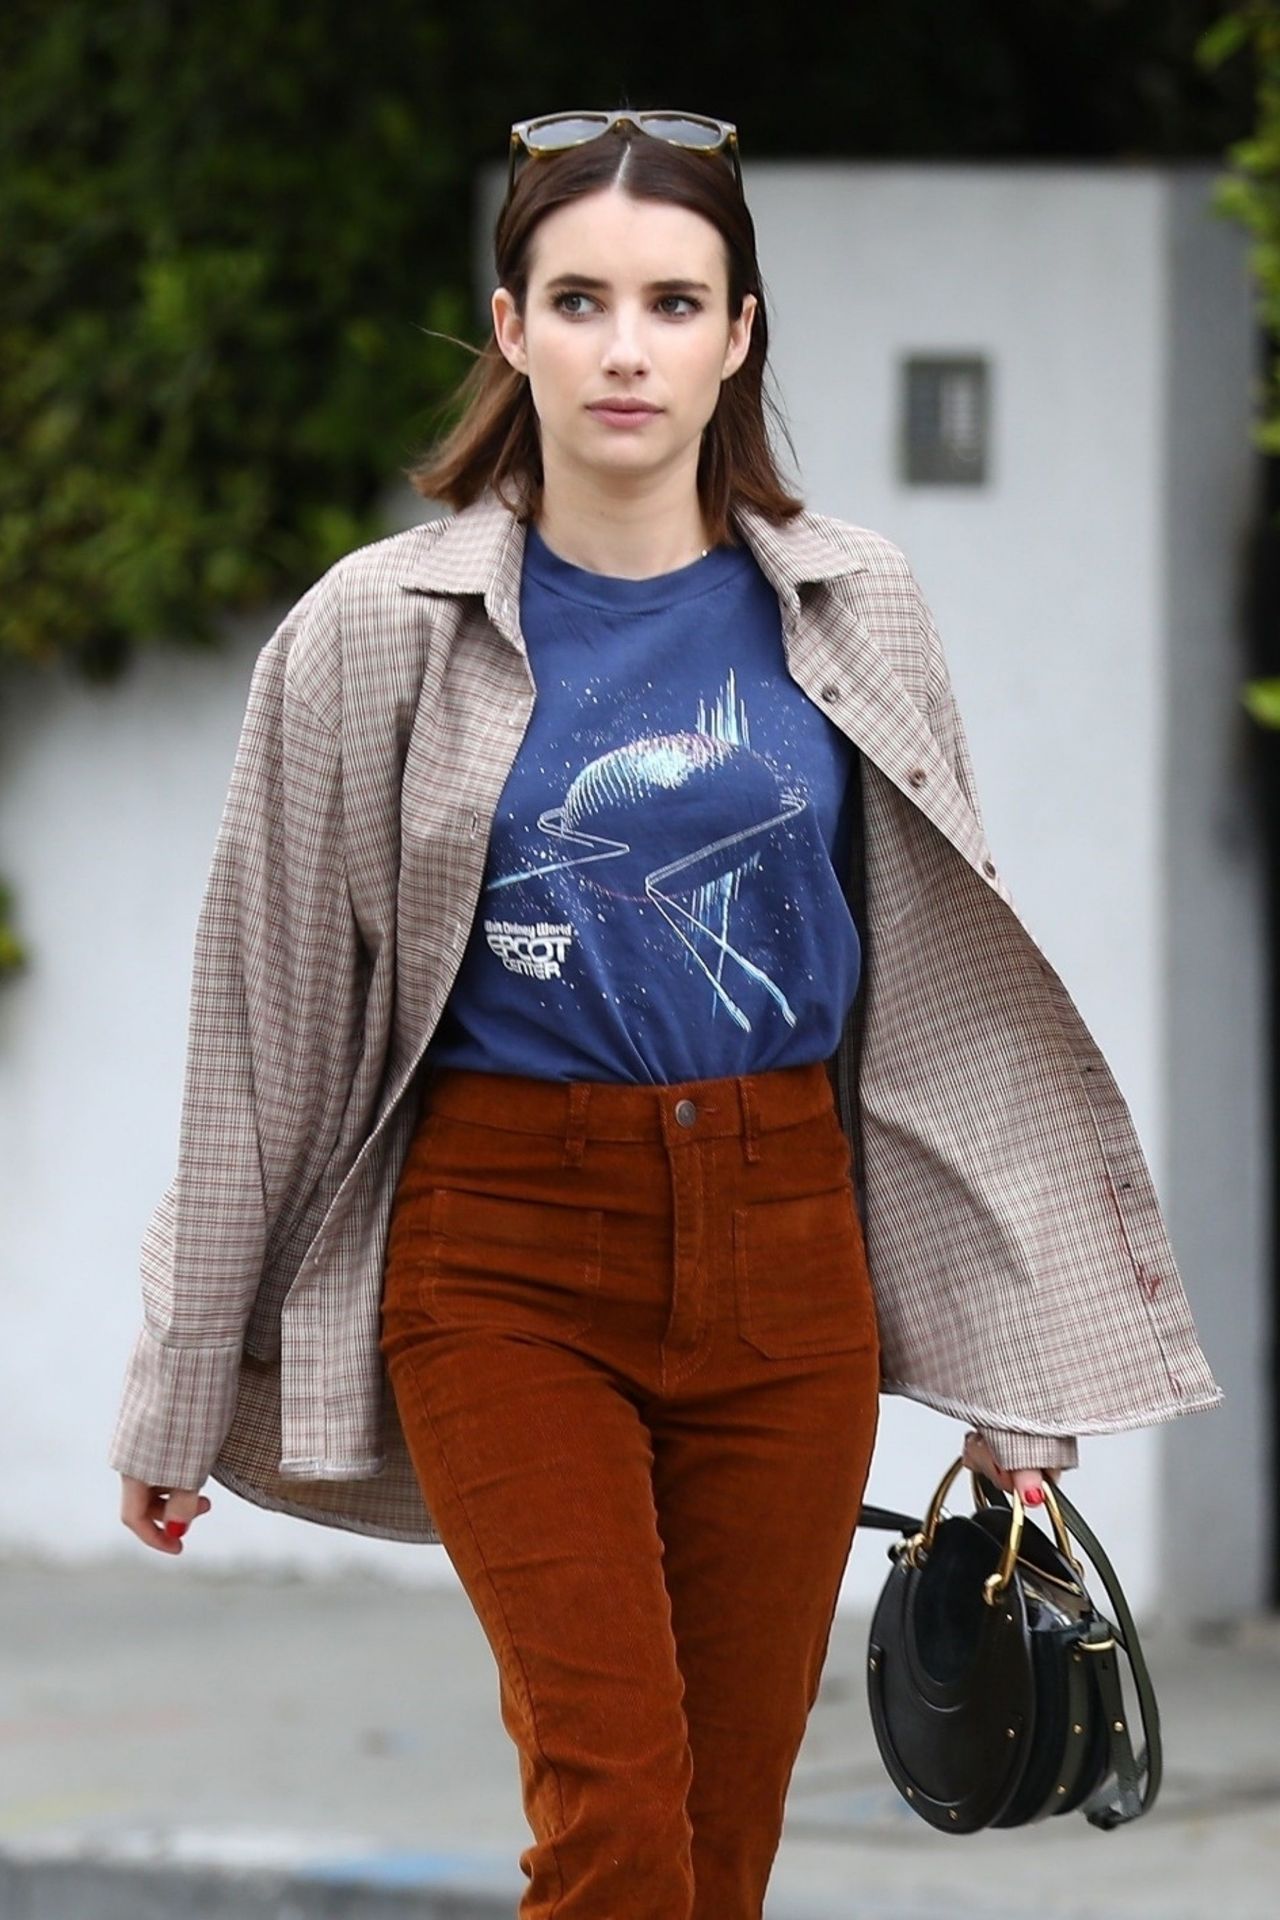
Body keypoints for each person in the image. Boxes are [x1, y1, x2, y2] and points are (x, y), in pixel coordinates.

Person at [110, 107, 1224, 1919]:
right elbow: (263, 1030)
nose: (626, 347)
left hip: (792, 1260)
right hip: (502, 1259)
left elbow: (939, 1005)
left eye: (672, 301)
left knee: (723, 1842)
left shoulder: (853, 607)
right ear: (511, 326)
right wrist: (179, 1380)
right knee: (618, 1814)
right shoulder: (372, 632)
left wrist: (1018, 1370)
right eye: (581, 299)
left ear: (740, 334)